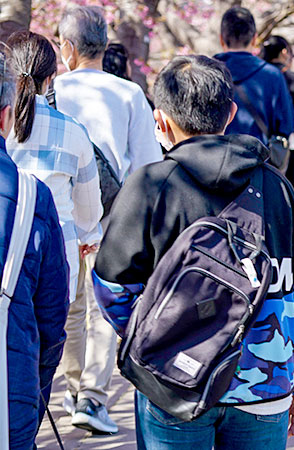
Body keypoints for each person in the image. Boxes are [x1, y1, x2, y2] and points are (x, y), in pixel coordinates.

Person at [93, 55, 294, 449]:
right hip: (265, 383)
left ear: (160, 120)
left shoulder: (149, 186)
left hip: (172, 383)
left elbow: (112, 286)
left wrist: (152, 342)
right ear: (231, 113)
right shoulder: (278, 189)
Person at [54, 4, 162, 434]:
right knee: (101, 309)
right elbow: (147, 167)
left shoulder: (52, 92)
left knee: (68, 305)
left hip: (60, 218)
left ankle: (74, 386)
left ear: (67, 47)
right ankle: (92, 398)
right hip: (112, 217)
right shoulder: (129, 94)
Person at [5, 30, 104, 438]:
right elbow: (89, 208)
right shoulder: (71, 131)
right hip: (52, 263)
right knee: (41, 348)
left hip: (6, 256)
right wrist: (87, 233)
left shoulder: (6, 123)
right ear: (51, 80)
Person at [0, 49, 69, 450]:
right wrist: (34, 390)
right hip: (10, 384)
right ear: (6, 117)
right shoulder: (31, 197)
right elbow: (51, 316)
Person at [215, 6, 294, 172]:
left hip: (215, 166)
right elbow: (286, 124)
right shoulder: (272, 75)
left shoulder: (207, 72)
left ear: (222, 39)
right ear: (254, 39)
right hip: (259, 167)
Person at [261, 35, 294, 195]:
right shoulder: (293, 79)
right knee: (291, 186)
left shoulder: (258, 77)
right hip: (290, 139)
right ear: (284, 52)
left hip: (262, 140)